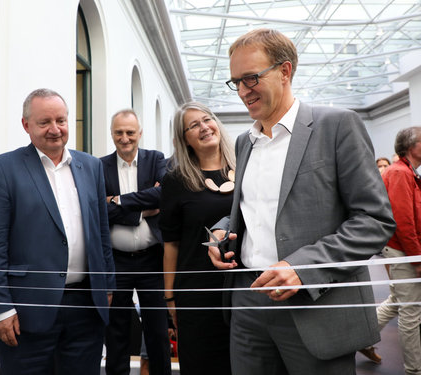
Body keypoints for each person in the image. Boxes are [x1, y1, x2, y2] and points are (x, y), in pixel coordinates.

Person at [207, 28, 396, 375]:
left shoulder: (337, 126)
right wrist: (221, 233)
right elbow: (251, 212)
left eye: (251, 78)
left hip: (317, 305)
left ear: (285, 70)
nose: (243, 91)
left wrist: (303, 268)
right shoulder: (244, 143)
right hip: (248, 301)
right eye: (236, 82)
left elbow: (374, 220)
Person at [0, 88, 115, 375]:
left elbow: (102, 232)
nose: (55, 129)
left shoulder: (90, 166)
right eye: (45, 122)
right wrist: (0, 308)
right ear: (26, 125)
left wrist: (108, 286)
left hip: (86, 307)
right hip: (27, 311)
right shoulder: (4, 168)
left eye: (61, 120)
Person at [159, 102, 235, 375]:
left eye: (207, 120)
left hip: (244, 288)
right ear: (185, 139)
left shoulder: (246, 168)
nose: (204, 127)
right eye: (194, 125)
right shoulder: (176, 181)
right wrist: (170, 300)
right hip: (197, 293)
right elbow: (171, 245)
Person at [101, 109, 171, 375]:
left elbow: (164, 195)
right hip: (116, 261)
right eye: (119, 132)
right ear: (112, 134)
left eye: (130, 132)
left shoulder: (155, 159)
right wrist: (142, 210)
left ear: (139, 133)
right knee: (116, 331)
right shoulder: (101, 165)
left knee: (157, 331)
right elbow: (98, 209)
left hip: (152, 259)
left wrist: (119, 200)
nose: (125, 138)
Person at [376, 127, 421, 375]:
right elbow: (403, 221)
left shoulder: (407, 173)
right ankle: (415, 370)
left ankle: (358, 339)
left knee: (397, 301)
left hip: (406, 250)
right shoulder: (400, 173)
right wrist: (417, 258)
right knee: (411, 310)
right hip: (404, 251)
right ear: (411, 146)